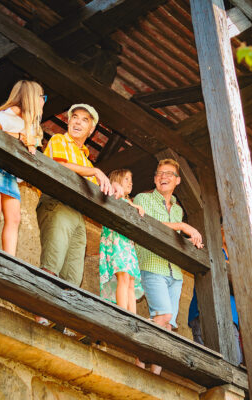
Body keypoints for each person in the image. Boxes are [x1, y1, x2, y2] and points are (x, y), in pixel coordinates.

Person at [37, 104, 122, 287]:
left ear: (91, 130)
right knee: (52, 264)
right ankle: (40, 316)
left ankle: (57, 316)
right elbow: (59, 167)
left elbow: (101, 192)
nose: (78, 122)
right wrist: (96, 172)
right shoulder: (59, 140)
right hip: (57, 204)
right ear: (68, 122)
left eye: (85, 120)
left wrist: (116, 188)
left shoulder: (86, 162)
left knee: (73, 281)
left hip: (78, 216)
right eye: (75, 117)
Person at [133, 159, 203, 374]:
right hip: (152, 264)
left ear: (178, 180)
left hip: (175, 272)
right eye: (160, 174)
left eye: (169, 174)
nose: (163, 177)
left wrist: (188, 241)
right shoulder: (142, 198)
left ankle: (155, 375)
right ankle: (138, 360)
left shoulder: (178, 210)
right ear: (154, 179)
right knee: (162, 317)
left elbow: (173, 237)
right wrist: (182, 227)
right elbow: (150, 225)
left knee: (169, 325)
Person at [0, 80, 45, 256]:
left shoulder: (30, 126)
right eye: (42, 97)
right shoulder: (3, 116)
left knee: (15, 217)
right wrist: (18, 136)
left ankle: (8, 257)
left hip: (10, 173)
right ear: (31, 97)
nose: (43, 101)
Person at [99, 169, 145, 312]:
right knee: (124, 276)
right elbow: (112, 191)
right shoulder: (113, 192)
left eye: (131, 180)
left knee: (130, 280)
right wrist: (133, 205)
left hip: (127, 243)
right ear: (117, 180)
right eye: (126, 179)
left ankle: (133, 315)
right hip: (116, 241)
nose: (130, 182)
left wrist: (134, 205)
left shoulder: (128, 201)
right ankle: (123, 312)